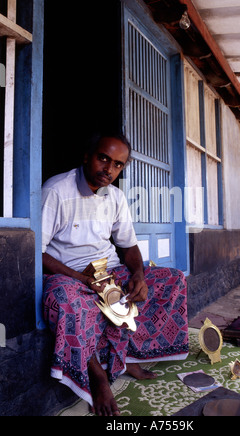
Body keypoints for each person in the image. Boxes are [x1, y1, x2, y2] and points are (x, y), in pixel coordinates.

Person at [42, 133, 189, 416]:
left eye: (118, 165)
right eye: (103, 159)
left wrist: (139, 275)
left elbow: (129, 245)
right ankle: (96, 375)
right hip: (69, 275)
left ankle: (128, 357)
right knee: (65, 300)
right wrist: (80, 279)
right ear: (87, 156)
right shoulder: (56, 191)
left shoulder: (115, 196)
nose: (109, 170)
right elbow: (38, 252)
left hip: (108, 269)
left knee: (172, 280)